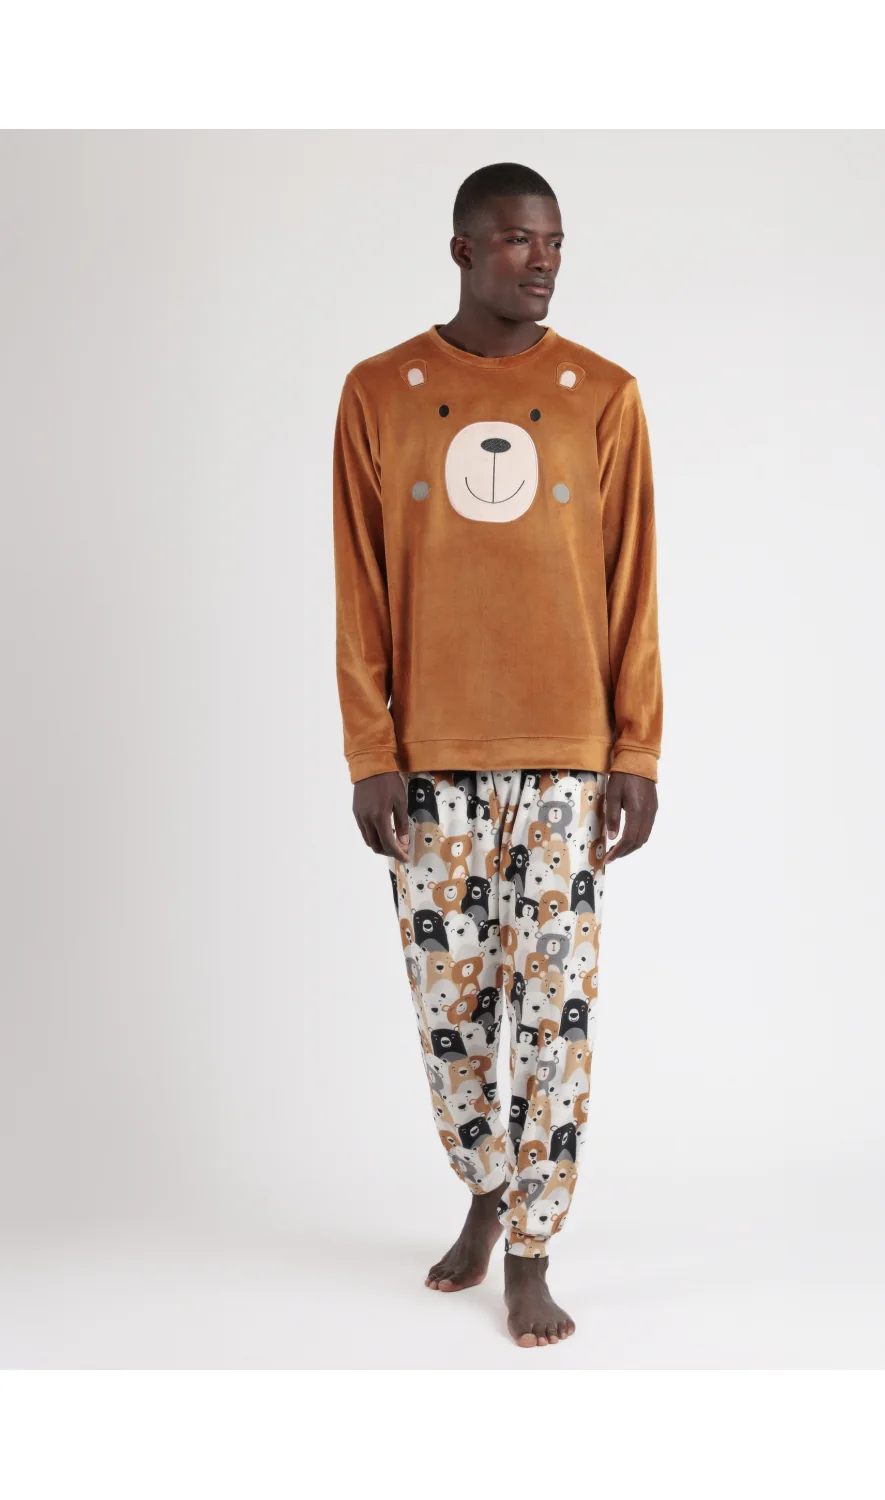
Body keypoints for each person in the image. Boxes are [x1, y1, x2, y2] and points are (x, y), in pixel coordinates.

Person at [331, 161, 662, 1347]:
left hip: (567, 757)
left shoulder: (602, 395)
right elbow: (358, 584)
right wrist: (371, 747)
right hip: (431, 761)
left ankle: (531, 1245)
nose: (543, 261)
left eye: (555, 241)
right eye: (520, 239)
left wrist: (637, 748)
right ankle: (482, 1186)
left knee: (556, 1013)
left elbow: (633, 582)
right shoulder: (380, 391)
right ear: (464, 248)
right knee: (454, 1011)